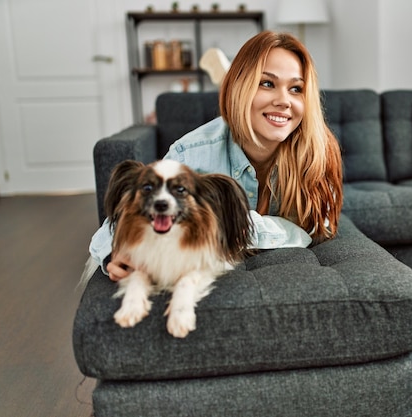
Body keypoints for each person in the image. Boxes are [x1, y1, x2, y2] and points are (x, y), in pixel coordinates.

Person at [88, 31, 343, 281]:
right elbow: (117, 224)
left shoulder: (316, 150)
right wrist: (113, 253)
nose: (284, 100)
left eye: (296, 88)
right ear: (240, 86)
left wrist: (230, 225)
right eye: (267, 83)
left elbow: (317, 227)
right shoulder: (192, 153)